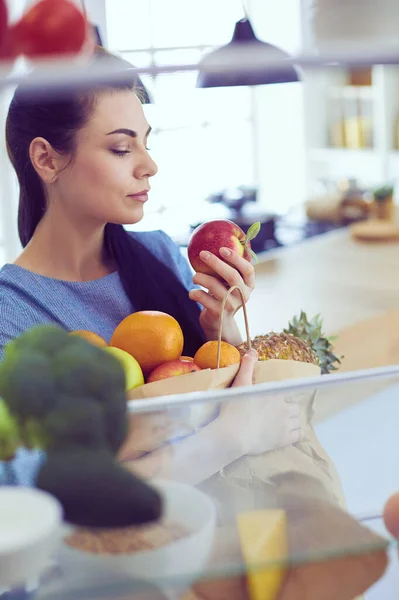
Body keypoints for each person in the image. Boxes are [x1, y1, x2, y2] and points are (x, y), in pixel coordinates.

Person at [0, 48, 303, 487]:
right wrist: (229, 438)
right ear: (46, 159)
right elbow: (39, 494)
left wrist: (222, 326)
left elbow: (217, 391)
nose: (150, 165)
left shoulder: (159, 254)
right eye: (122, 148)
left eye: (146, 142)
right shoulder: (12, 315)